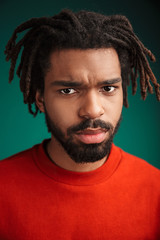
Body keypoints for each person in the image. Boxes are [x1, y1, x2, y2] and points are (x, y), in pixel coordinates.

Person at [0, 9, 160, 240]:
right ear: (41, 98)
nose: (93, 110)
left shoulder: (155, 190)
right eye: (68, 90)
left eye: (108, 88)